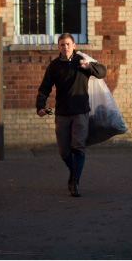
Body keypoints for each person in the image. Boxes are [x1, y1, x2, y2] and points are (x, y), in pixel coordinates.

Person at [36, 33, 107, 197]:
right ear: (58, 47)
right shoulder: (54, 66)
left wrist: (88, 66)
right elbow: (44, 88)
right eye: (62, 45)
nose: (65, 47)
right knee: (63, 151)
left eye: (68, 44)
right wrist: (40, 106)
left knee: (78, 147)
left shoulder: (82, 61)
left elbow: (102, 72)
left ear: (74, 46)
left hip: (81, 112)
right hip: (62, 113)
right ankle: (74, 173)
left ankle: (75, 181)